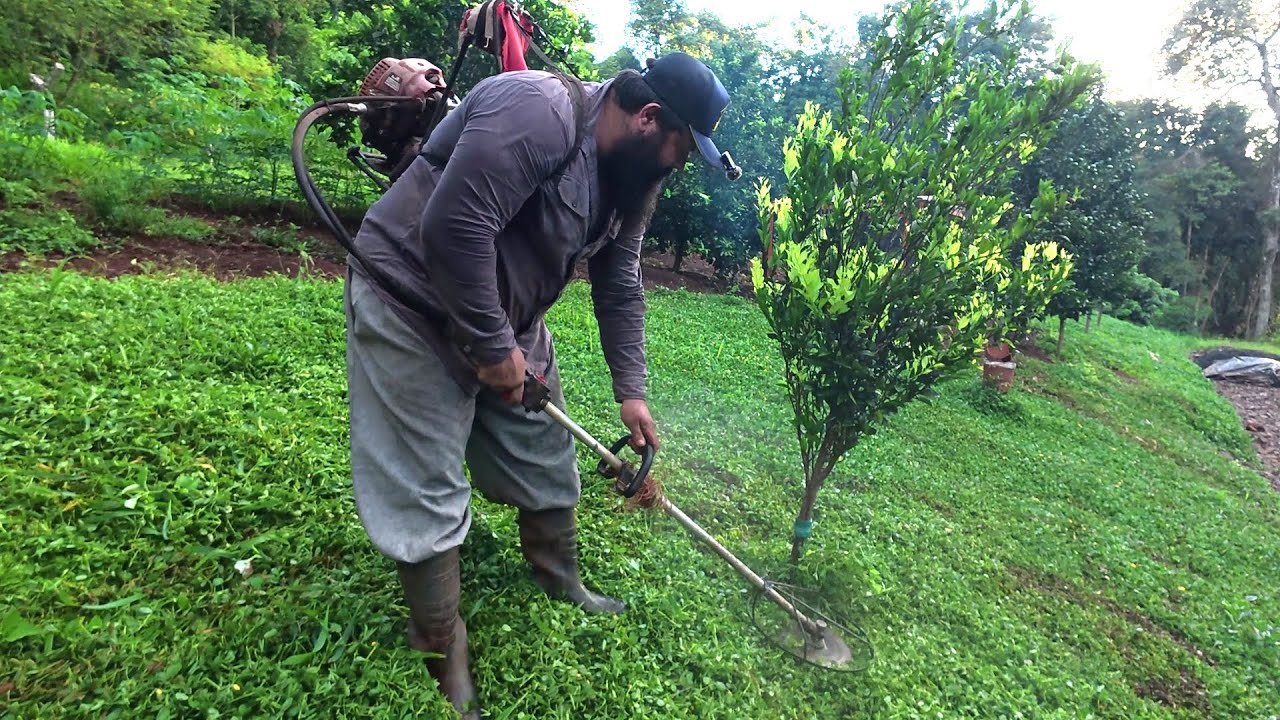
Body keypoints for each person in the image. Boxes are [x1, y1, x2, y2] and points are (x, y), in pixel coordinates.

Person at [341, 52, 735, 718]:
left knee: (545, 454)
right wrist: (493, 351)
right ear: (648, 118)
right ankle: (439, 643)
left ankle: (561, 576)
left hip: (510, 317)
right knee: (424, 483)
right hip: (411, 304)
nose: (680, 164)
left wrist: (630, 390)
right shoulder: (538, 111)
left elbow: (619, 279)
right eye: (681, 150)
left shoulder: (634, 177)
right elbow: (453, 225)